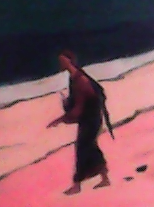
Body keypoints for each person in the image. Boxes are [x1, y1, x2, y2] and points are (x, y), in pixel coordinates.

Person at [47, 50, 113, 195]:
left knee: (83, 149)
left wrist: (61, 119)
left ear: (70, 61)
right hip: (90, 119)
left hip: (91, 120)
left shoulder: (79, 80)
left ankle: (77, 185)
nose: (60, 63)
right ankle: (105, 179)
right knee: (90, 147)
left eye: (63, 61)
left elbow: (79, 108)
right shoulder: (74, 77)